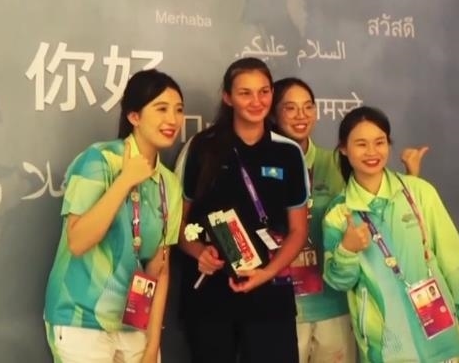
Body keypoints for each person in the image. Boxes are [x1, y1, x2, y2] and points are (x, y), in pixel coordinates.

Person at [270, 78, 430, 363]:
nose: (301, 115)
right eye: (290, 108)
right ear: (273, 113)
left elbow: (380, 208)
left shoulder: (336, 163)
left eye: (308, 107)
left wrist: (411, 178)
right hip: (281, 304)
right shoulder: (261, 165)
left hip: (334, 303)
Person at [43, 69, 186, 363]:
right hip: (80, 319)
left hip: (134, 324)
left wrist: (152, 346)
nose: (172, 119)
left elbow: (159, 269)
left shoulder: (169, 183)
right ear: (134, 116)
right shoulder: (99, 159)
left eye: (179, 110)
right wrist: (125, 180)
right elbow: (78, 241)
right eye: (161, 109)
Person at [176, 58, 310, 363]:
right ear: (228, 97)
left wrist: (267, 273)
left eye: (264, 92)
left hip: (270, 295)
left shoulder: (288, 152)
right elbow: (176, 223)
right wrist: (199, 252)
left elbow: (298, 230)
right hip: (210, 299)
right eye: (245, 93)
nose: (256, 101)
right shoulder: (202, 147)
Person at [322, 106, 459, 363]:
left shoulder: (419, 192)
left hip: (443, 336)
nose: (372, 152)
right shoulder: (339, 212)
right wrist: (347, 250)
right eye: (361, 144)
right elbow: (339, 282)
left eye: (379, 142)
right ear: (344, 149)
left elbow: (449, 260)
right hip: (387, 347)